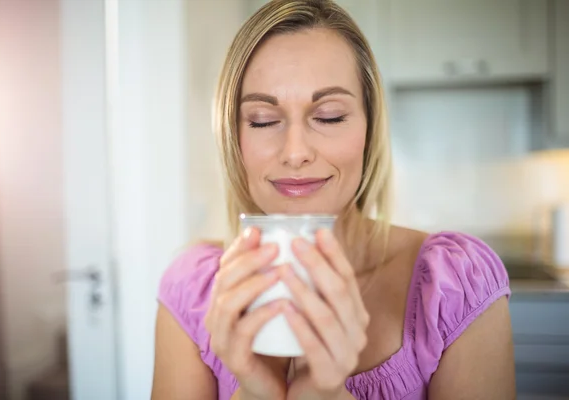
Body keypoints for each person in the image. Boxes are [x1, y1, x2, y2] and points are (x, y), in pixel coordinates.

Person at [152, 0, 516, 399]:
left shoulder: (456, 285)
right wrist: (256, 393)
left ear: (369, 128)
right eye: (262, 121)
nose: (295, 152)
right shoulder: (192, 290)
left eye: (328, 116)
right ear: (233, 138)